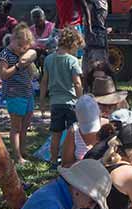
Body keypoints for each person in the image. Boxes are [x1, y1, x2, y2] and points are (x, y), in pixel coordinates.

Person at [41, 27, 84, 169]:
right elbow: (77, 83)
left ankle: (53, 161)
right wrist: (82, 100)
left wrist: (42, 101)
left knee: (56, 134)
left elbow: (44, 81)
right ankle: (71, 159)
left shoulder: (48, 59)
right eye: (77, 46)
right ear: (72, 44)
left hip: (55, 103)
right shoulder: (72, 61)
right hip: (71, 102)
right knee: (73, 134)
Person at [0, 24, 39, 164]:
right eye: (20, 45)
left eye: (25, 46)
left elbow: (31, 73)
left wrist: (28, 62)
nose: (22, 48)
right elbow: (3, 75)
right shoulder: (5, 54)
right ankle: (17, 157)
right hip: (14, 94)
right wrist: (17, 66)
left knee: (25, 126)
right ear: (12, 40)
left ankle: (23, 150)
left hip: (27, 93)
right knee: (16, 127)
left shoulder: (23, 54)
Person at [61, 94, 108, 167]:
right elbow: (65, 165)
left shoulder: (108, 127)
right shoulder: (73, 132)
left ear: (100, 114)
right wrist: (82, 163)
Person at [79, 0, 109, 72]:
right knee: (88, 65)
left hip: (96, 34)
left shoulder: (97, 4)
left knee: (98, 65)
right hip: (91, 34)